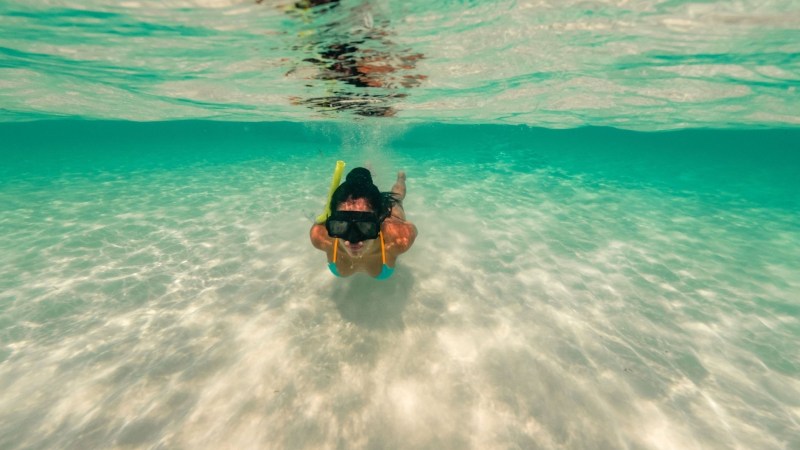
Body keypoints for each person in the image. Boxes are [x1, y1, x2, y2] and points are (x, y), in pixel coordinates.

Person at [310, 167, 417, 279]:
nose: (352, 241)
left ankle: (401, 178)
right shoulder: (320, 236)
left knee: (397, 198)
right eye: (341, 224)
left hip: (389, 217)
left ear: (380, 220)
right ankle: (367, 169)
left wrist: (395, 220)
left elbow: (412, 228)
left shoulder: (399, 239)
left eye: (365, 226)